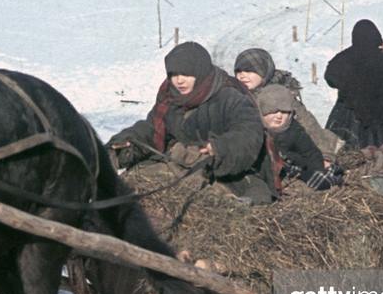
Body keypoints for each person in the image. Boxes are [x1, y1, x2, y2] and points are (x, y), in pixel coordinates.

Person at [110, 41, 277, 203]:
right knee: (127, 186)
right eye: (174, 74)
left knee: (234, 201)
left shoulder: (229, 97)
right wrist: (127, 144)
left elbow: (248, 133)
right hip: (180, 162)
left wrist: (220, 148)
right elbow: (152, 129)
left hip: (227, 171)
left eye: (186, 74)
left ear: (200, 72)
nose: (179, 80)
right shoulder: (170, 96)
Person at [233, 47, 344, 161]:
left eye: (249, 71)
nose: (242, 76)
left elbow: (308, 125)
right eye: (238, 71)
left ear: (264, 71)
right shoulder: (235, 95)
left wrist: (325, 156)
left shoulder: (280, 96)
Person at [324, 19, 383, 163]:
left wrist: (347, 86)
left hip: (348, 115)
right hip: (380, 118)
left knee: (342, 155)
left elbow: (330, 78)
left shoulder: (344, 58)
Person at [257, 84, 340, 191]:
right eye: (273, 111)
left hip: (295, 168)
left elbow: (311, 152)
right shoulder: (256, 130)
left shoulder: (294, 130)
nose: (279, 116)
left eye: (284, 111)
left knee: (316, 180)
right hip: (268, 169)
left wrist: (318, 169)